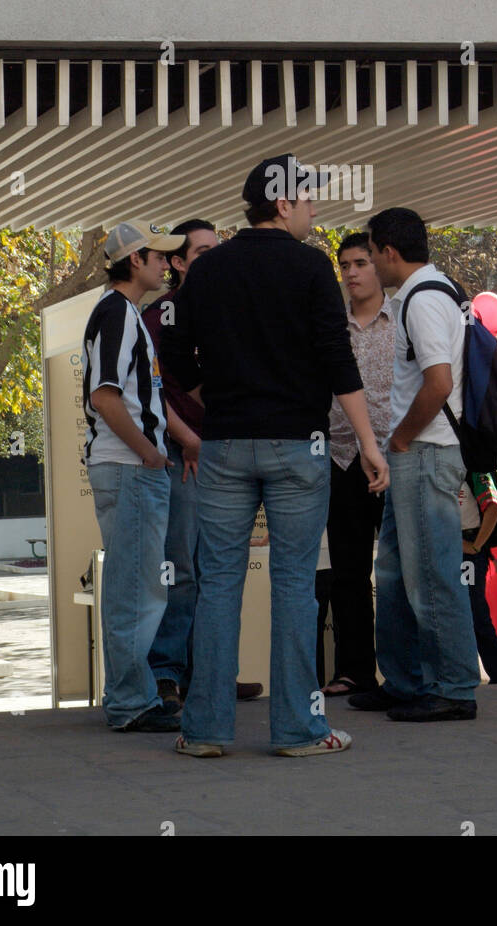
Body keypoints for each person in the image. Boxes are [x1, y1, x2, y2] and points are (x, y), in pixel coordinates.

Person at [160, 154, 389, 757]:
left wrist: (226, 395)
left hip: (225, 445)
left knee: (218, 586)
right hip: (299, 446)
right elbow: (339, 362)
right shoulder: (313, 268)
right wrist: (368, 444)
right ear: (283, 203)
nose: (315, 210)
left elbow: (177, 361)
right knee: (294, 586)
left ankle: (205, 730)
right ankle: (299, 730)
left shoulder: (208, 271)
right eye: (309, 199)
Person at [348, 206, 481, 723]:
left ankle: (453, 686)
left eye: (372, 253)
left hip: (425, 452)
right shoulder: (433, 291)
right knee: (398, 572)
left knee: (431, 574)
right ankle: (405, 680)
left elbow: (439, 383)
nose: (369, 266)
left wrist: (399, 439)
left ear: (389, 251)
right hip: (419, 453)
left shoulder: (423, 300)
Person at [142, 219, 263, 709]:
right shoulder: (159, 316)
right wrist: (188, 439)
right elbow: (149, 393)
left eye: (219, 250)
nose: (214, 260)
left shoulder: (228, 312)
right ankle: (166, 674)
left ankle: (210, 674)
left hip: (224, 452)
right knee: (182, 569)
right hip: (181, 453)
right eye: (203, 252)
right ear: (177, 261)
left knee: (220, 568)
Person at [81, 220, 184, 732]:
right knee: (137, 588)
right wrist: (149, 453)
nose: (167, 263)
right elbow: (105, 397)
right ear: (135, 261)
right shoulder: (119, 313)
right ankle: (130, 701)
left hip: (125, 467)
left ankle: (131, 696)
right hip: (128, 468)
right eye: (158, 256)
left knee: (137, 585)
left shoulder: (121, 312)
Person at [323, 232, 395, 698]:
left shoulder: (404, 318)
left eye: (360, 263)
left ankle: (403, 670)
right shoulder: (331, 324)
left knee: (397, 570)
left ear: (378, 265)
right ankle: (354, 671)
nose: (351, 272)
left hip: (396, 457)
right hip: (341, 458)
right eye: (345, 264)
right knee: (347, 571)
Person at [462, 473, 497, 683]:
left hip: (467, 551)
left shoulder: (475, 469)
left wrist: (475, 546)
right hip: (445, 544)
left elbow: (494, 506)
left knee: (474, 611)